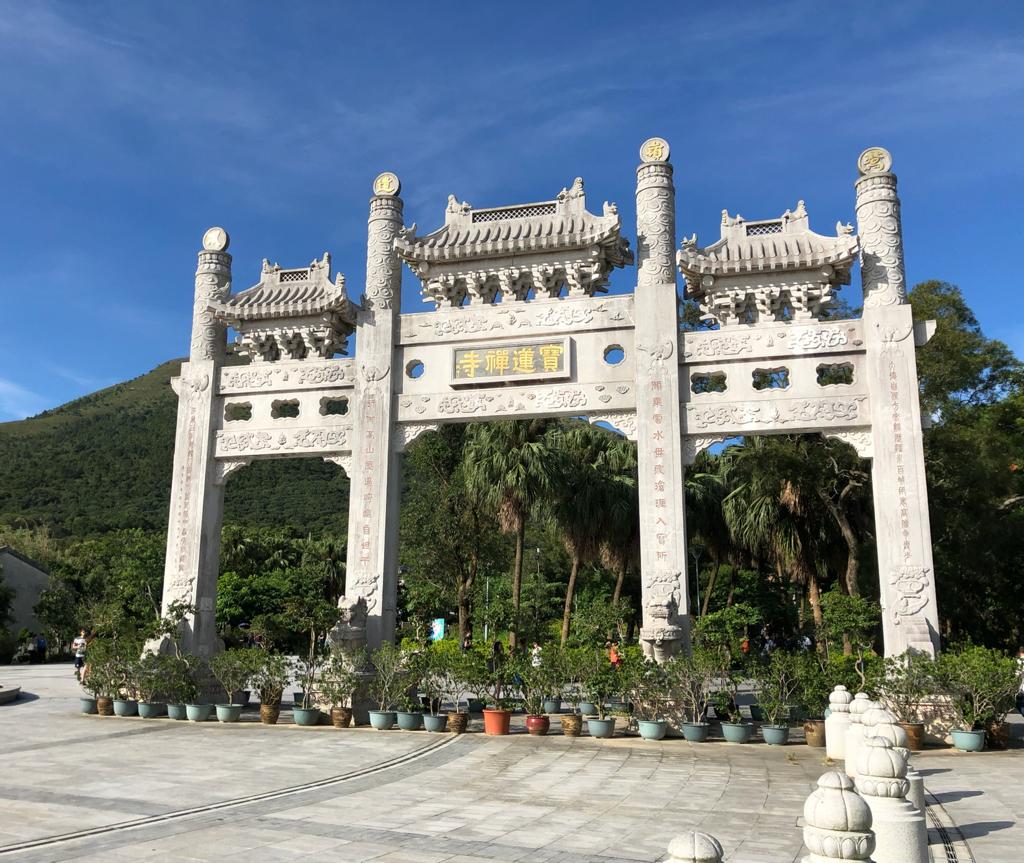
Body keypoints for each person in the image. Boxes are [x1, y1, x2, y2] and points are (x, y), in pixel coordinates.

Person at [1016, 647, 1024, 717]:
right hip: (1021, 688)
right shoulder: (1019, 660)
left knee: (1019, 704)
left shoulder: (1019, 660)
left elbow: (1017, 673)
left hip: (1022, 688)